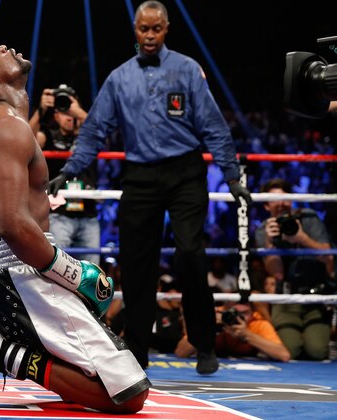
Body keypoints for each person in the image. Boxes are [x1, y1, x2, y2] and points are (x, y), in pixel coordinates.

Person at [0, 44, 150, 414]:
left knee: (93, 382)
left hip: (16, 276)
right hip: (23, 277)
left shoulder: (6, 125)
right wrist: (75, 274)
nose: (2, 46)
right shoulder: (4, 127)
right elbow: (11, 223)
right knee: (129, 394)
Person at [47, 0, 252, 375]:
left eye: (156, 29)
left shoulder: (188, 70)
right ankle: (136, 353)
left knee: (191, 253)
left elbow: (212, 125)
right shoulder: (119, 78)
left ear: (167, 29)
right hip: (140, 174)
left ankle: (205, 345)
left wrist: (232, 174)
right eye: (144, 29)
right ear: (135, 30)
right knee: (136, 264)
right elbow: (94, 129)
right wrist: (70, 169)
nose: (150, 35)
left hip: (185, 172)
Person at [254, 178, 333, 360]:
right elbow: (278, 273)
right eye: (274, 200)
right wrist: (270, 244)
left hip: (316, 296)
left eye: (285, 198)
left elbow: (328, 256)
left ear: (291, 200)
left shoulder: (308, 218)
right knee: (291, 351)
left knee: (317, 352)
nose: (281, 204)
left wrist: (301, 238)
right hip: (287, 298)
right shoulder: (264, 230)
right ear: (266, 206)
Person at [30, 87, 101, 264]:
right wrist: (40, 111)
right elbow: (27, 140)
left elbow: (101, 129)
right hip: (58, 214)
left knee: (92, 272)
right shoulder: (49, 136)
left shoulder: (88, 138)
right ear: (56, 116)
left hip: (89, 214)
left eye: (71, 109)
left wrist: (78, 111)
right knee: (59, 268)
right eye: (64, 111)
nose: (69, 116)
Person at [175, 301, 291, 362]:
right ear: (225, 310)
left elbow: (284, 355)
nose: (239, 318)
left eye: (244, 313)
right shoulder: (215, 316)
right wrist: (208, 328)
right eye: (234, 312)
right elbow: (181, 352)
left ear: (252, 313)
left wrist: (248, 335)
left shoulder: (256, 322)